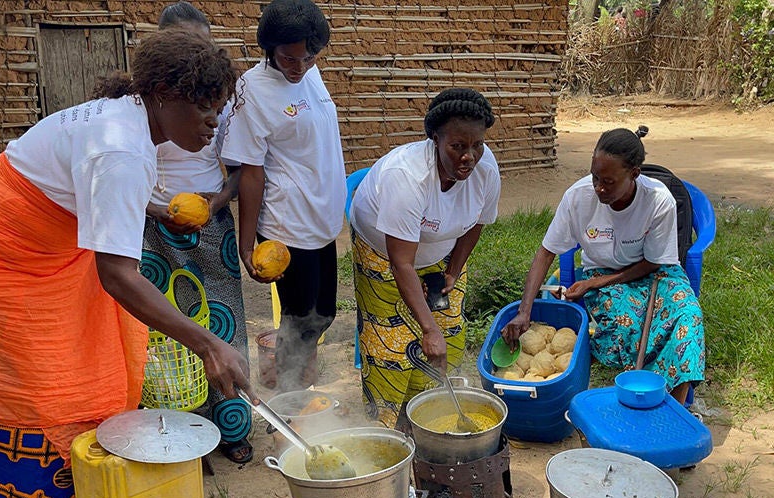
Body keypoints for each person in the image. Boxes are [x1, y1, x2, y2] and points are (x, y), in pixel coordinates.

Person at [0, 30, 254, 498]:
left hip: (43, 257)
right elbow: (118, 275)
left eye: (220, 111)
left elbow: (51, 174)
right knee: (53, 402)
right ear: (163, 92)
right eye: (205, 110)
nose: (215, 125)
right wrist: (209, 343)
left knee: (104, 379)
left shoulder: (125, 116)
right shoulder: (121, 148)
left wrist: (157, 211)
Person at [501, 127, 704, 404]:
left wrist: (594, 283)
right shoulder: (578, 197)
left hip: (656, 271)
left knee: (687, 317)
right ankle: (639, 398)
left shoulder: (658, 200)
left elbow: (655, 261)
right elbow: (545, 253)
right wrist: (524, 312)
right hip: (603, 272)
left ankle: (676, 409)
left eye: (608, 181)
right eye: (595, 177)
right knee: (628, 326)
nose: (599, 188)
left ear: (634, 174)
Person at [348, 88, 501, 430]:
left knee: (451, 331)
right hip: (383, 251)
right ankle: (387, 427)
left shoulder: (486, 169)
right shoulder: (407, 177)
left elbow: (477, 222)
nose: (470, 156)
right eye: (458, 146)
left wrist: (453, 270)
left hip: (441, 249)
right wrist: (427, 329)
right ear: (435, 138)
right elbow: (401, 263)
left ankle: (426, 413)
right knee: (391, 344)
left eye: (477, 145)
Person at [143, 1, 253, 463]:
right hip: (155, 226)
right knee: (168, 329)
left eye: (203, 45)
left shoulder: (220, 98)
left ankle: (233, 427)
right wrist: (157, 209)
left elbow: (239, 168)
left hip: (211, 223)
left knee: (224, 320)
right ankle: (182, 434)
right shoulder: (145, 102)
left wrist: (217, 202)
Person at [221, 0, 345, 392]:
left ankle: (295, 385)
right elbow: (250, 171)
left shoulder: (310, 72)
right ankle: (290, 402)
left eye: (308, 58)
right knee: (299, 321)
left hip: (321, 220)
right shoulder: (253, 91)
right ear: (269, 50)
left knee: (321, 315)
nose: (299, 67)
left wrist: (307, 66)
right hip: (287, 225)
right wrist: (246, 243)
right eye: (289, 59)